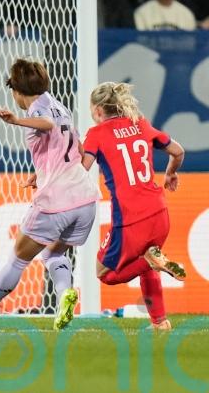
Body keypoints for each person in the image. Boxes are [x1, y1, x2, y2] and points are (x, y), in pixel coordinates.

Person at [0, 59, 100, 330]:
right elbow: (77, 150)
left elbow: (46, 124)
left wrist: (16, 121)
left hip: (55, 203)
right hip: (86, 199)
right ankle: (65, 295)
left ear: (16, 90)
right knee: (53, 254)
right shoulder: (60, 106)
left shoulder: (38, 110)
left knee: (18, 258)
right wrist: (44, 172)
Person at [82, 82, 185, 330]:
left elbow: (81, 169)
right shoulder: (140, 124)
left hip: (130, 219)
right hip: (159, 213)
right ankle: (159, 322)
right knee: (148, 260)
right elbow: (178, 151)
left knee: (104, 273)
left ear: (97, 110)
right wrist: (170, 173)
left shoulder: (96, 134)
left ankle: (150, 261)